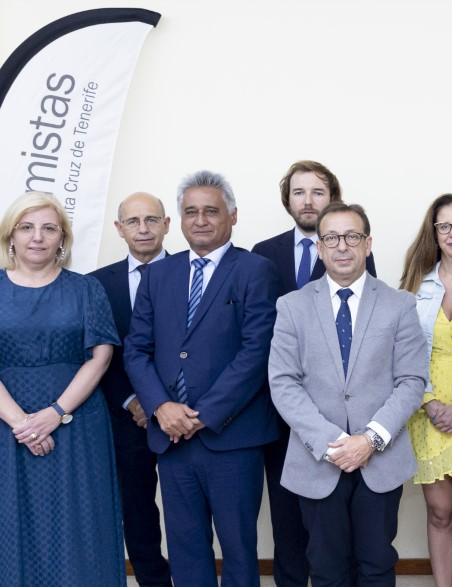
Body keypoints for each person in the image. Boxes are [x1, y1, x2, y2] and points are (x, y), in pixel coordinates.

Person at [0, 191, 124, 586]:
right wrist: (24, 424)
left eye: (49, 228)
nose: (38, 237)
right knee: (13, 524)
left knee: (81, 525)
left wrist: (54, 414)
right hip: (6, 425)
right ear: (10, 236)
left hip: (76, 421)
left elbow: (99, 358)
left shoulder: (87, 290)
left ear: (62, 238)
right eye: (27, 227)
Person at [125, 170, 280, 587]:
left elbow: (255, 353)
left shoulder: (255, 270)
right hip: (171, 438)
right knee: (186, 548)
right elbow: (136, 350)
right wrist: (161, 407)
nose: (201, 220)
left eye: (211, 211)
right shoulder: (158, 275)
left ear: (232, 216)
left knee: (238, 550)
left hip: (231, 437)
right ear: (180, 219)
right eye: (191, 212)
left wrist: (202, 415)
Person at [268, 201, 427, 586]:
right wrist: (336, 442)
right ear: (319, 247)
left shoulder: (400, 304)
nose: (343, 246)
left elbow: (412, 381)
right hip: (318, 460)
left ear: (368, 244)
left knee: (376, 566)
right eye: (332, 238)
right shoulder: (292, 306)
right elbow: (283, 382)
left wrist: (369, 440)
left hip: (380, 461)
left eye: (352, 236)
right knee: (326, 570)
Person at [251, 160, 374, 587]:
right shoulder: (263, 254)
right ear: (288, 200)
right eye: (299, 192)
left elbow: (365, 340)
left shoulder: (354, 251)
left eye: (317, 192)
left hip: (342, 423)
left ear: (332, 198)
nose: (308, 200)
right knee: (287, 522)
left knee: (343, 529)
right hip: (282, 411)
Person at [398, 194, 452, 587]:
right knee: (438, 510)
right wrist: (429, 401)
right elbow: (403, 349)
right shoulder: (416, 284)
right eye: (444, 226)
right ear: (433, 233)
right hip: (426, 405)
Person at [90, 192, 174, 586]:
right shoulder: (96, 285)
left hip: (182, 413)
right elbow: (94, 354)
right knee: (137, 510)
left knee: (186, 509)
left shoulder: (194, 272)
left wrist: (161, 403)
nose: (143, 229)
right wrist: (133, 400)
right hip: (125, 417)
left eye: (151, 220)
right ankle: (153, 581)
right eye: (134, 221)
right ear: (119, 229)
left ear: (166, 224)